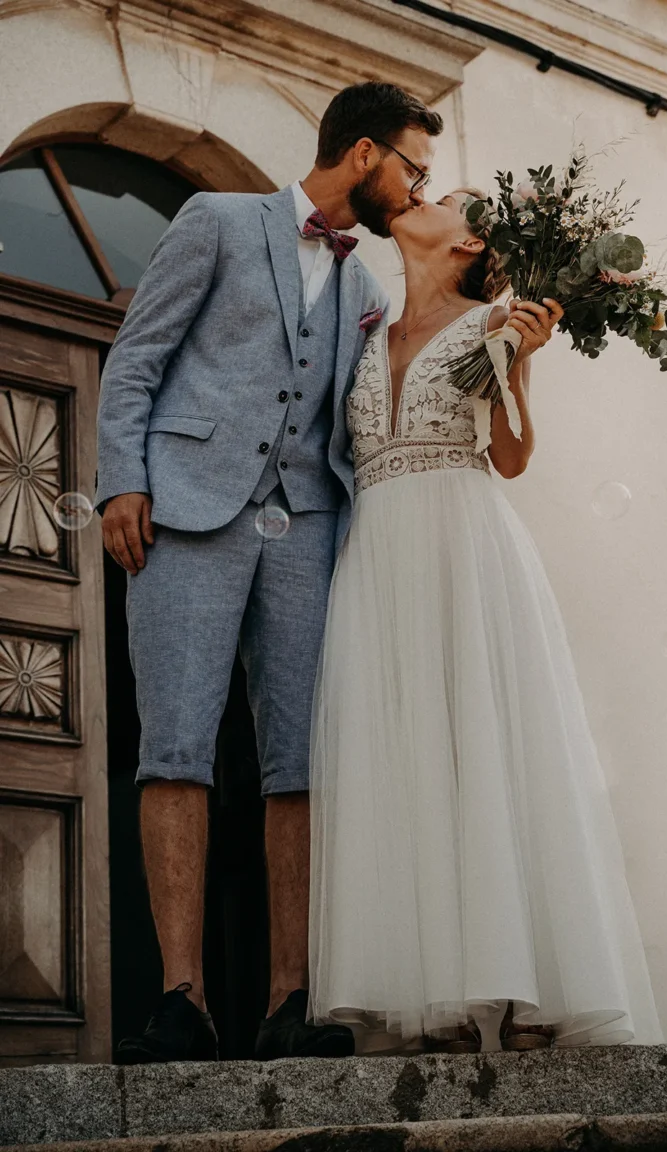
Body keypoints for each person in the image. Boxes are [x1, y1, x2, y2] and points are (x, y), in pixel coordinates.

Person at [95, 81, 443, 1063]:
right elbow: (136, 358)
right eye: (414, 167)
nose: (419, 188)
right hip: (186, 511)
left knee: (301, 764)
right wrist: (123, 476)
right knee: (176, 746)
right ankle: (181, 999)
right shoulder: (217, 219)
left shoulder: (367, 289)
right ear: (365, 154)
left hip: (310, 532)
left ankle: (291, 997)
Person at [308, 190, 664, 1054]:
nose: (417, 198)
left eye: (441, 197)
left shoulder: (500, 320)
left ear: (469, 239)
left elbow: (508, 457)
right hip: (378, 561)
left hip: (462, 548)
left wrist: (514, 361)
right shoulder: (364, 328)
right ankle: (433, 999)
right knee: (403, 760)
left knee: (483, 751)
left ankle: (513, 993)